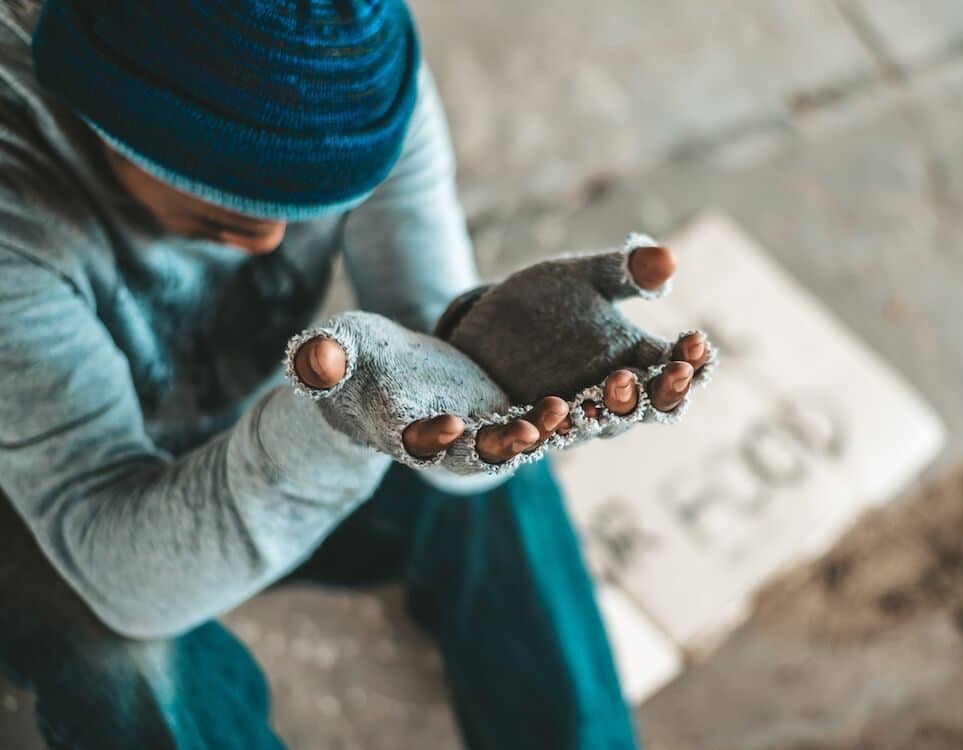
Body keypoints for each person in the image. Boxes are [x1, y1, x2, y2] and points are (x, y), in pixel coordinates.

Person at [0, 1, 712, 748]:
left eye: (306, 205)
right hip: (38, 493)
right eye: (224, 209)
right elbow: (123, 573)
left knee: (504, 424)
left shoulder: (361, 81)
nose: (270, 239)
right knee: (131, 665)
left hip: (226, 416)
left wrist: (480, 358)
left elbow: (439, 364)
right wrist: (338, 421)